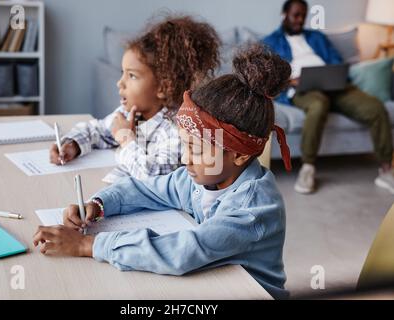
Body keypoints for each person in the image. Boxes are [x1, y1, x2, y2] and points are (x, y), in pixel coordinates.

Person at [33, 45, 293, 299]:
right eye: (185, 146)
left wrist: (86, 245)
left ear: (239, 154)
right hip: (214, 282)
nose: (185, 158)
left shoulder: (251, 210)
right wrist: (99, 205)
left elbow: (184, 252)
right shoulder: (203, 178)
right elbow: (145, 188)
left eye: (195, 149)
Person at [49, 15, 220, 183]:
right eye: (122, 73)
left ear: (163, 86)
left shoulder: (177, 129)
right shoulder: (129, 113)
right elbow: (98, 130)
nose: (120, 83)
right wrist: (72, 145)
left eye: (132, 76)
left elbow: (153, 176)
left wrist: (125, 138)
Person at [264, 0, 394, 194]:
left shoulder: (317, 37)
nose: (300, 20)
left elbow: (336, 61)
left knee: (375, 107)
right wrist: (292, 81)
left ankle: (386, 169)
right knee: (318, 105)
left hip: (334, 86)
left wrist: (332, 75)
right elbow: (269, 78)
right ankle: (308, 168)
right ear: (284, 15)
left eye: (303, 16)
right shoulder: (270, 42)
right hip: (303, 90)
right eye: (295, 15)